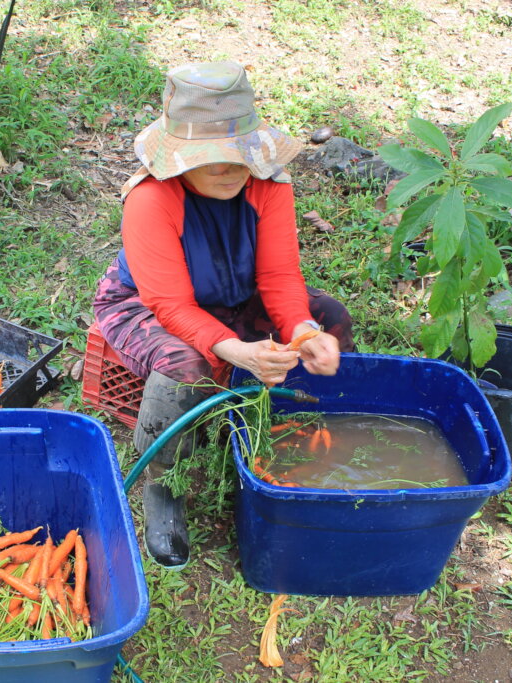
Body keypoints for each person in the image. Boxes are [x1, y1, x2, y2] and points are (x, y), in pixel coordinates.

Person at [93, 61, 355, 569]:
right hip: (144, 303)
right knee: (184, 365)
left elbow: (279, 278)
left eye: (240, 158)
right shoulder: (150, 200)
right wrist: (234, 350)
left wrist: (303, 332)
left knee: (332, 317)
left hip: (235, 293)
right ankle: (163, 487)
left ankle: (293, 436)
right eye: (213, 160)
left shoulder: (269, 187)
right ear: (178, 159)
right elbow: (169, 305)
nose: (232, 169)